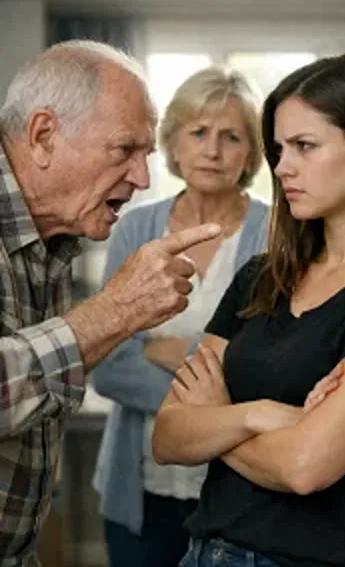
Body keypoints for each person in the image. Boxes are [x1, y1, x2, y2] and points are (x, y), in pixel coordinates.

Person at [153, 52, 345, 567]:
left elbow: (306, 468)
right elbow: (169, 437)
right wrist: (261, 415)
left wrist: (218, 418)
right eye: (279, 149)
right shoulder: (260, 276)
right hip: (203, 554)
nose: (283, 167)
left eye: (305, 146)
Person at [0, 39, 220, 567]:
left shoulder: (54, 241)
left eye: (146, 155)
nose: (142, 178)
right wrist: (116, 312)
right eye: (124, 150)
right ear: (44, 136)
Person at [92, 65, 270, 567]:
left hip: (236, 494)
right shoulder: (134, 228)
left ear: (251, 153)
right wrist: (210, 380)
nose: (213, 150)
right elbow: (107, 364)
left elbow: (267, 367)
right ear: (172, 141)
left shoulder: (276, 233)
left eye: (231, 136)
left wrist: (165, 350)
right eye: (198, 132)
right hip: (138, 489)